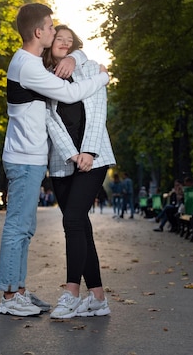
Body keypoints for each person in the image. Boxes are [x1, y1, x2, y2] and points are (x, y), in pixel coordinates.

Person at [0, 4, 109, 317]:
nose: (54, 33)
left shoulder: (36, 64)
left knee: (28, 227)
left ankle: (19, 290)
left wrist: (81, 59)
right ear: (39, 32)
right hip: (27, 158)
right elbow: (64, 100)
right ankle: (9, 296)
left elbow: (82, 77)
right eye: (49, 28)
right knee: (19, 227)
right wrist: (104, 78)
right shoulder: (31, 67)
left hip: (35, 158)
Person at [43, 24, 115, 318]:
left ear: (75, 47)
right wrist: (71, 153)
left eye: (69, 41)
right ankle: (97, 298)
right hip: (62, 162)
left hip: (94, 159)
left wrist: (88, 151)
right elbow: (49, 119)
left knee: (72, 221)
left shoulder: (89, 70)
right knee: (80, 227)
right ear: (49, 44)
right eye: (58, 38)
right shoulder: (43, 77)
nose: (63, 43)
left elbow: (98, 111)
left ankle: (72, 292)